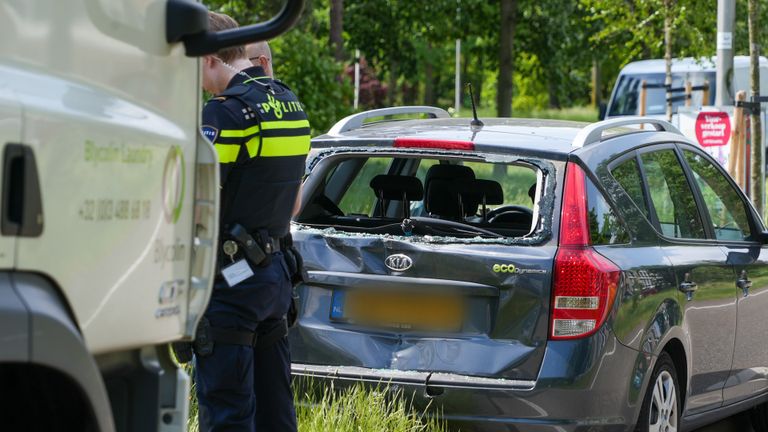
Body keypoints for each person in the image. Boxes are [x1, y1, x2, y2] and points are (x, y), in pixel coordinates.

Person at [195, 11, 309, 432]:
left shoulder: (224, 113)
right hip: (276, 275)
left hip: (231, 280)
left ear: (209, 57)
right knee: (275, 406)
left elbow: (199, 203)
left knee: (227, 411)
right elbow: (294, 202)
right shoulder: (290, 103)